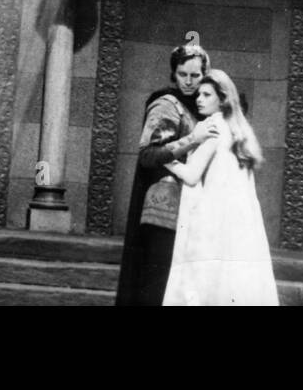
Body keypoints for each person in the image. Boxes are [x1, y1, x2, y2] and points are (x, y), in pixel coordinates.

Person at [162, 69, 279, 306]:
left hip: (213, 217)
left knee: (204, 285)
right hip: (241, 221)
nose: (199, 99)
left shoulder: (212, 128)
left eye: (207, 94)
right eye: (199, 94)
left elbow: (192, 175)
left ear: (222, 99)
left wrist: (165, 157)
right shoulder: (239, 129)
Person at [115, 43, 215, 307]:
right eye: (183, 74)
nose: (189, 81)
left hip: (188, 202)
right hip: (162, 205)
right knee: (157, 276)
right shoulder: (166, 104)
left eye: (195, 76)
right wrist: (191, 140)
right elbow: (148, 154)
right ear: (174, 73)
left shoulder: (200, 105)